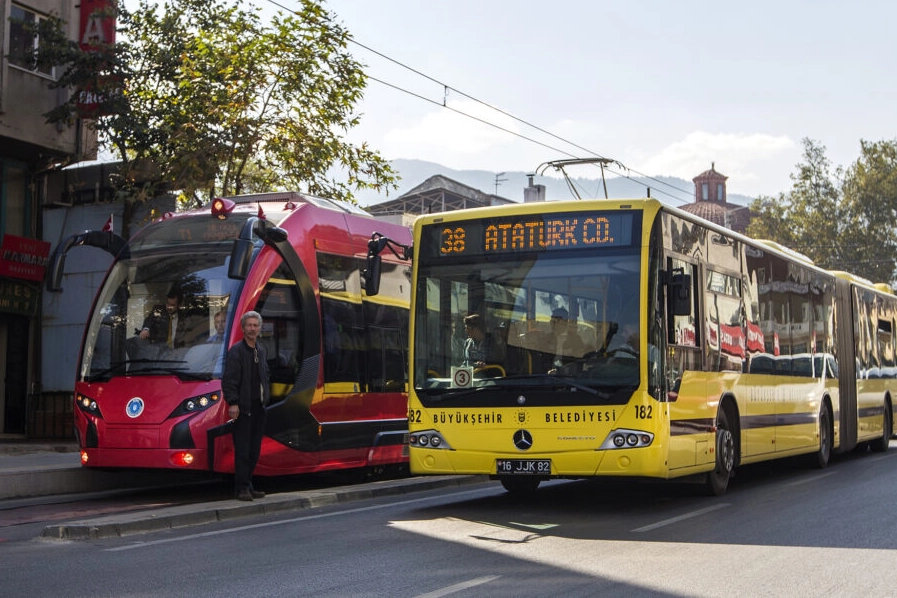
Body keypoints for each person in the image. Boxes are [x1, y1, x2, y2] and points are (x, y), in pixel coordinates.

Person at [222, 310, 270, 501]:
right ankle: (241, 488)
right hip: (243, 409)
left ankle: (249, 485)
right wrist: (233, 402)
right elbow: (229, 380)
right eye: (249, 325)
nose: (252, 329)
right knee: (242, 450)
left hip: (259, 408)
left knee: (254, 451)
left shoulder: (261, 349)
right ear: (243, 329)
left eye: (255, 325)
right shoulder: (236, 351)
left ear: (259, 328)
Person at [546, 307, 585, 374]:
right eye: (551, 321)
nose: (553, 324)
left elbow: (579, 361)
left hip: (568, 377)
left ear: (565, 322)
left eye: (556, 321)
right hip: (546, 377)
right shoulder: (547, 338)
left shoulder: (575, 339)